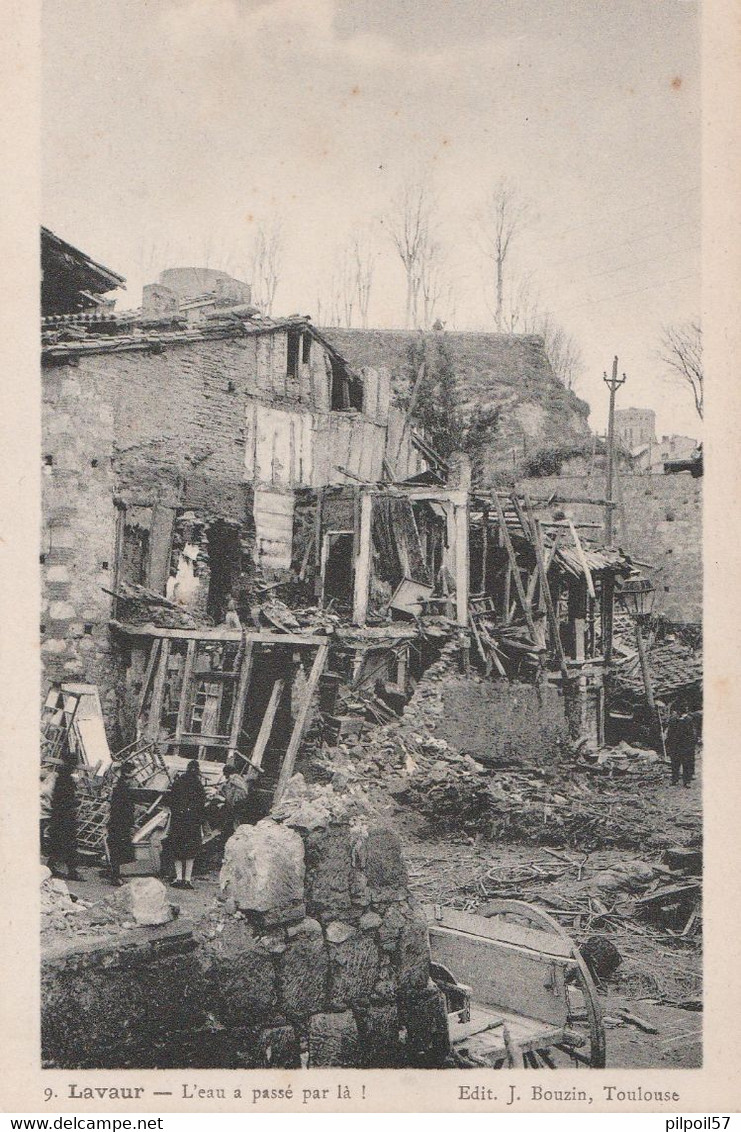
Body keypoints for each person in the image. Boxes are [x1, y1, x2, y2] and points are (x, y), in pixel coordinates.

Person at [168, 759, 206, 890]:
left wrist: (177, 812)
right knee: (190, 852)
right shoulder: (199, 785)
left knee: (177, 851)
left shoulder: (178, 782)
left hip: (179, 821)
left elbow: (171, 801)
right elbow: (202, 806)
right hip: (192, 823)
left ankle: (179, 878)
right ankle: (188, 880)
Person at [46, 760, 83, 880]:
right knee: (70, 845)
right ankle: (72, 871)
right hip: (65, 818)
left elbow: (56, 800)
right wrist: (75, 803)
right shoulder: (68, 781)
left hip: (58, 818)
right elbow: (66, 801)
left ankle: (51, 867)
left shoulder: (59, 779)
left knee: (58, 844)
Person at [106, 764, 136, 886]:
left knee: (117, 849)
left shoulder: (121, 788)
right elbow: (124, 809)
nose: (134, 780)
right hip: (120, 823)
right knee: (118, 849)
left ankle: (116, 874)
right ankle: (115, 876)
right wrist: (131, 824)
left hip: (118, 823)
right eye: (133, 776)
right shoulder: (123, 790)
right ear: (128, 776)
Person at [665, 703, 697, 787]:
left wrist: (691, 745)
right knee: (675, 763)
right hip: (675, 746)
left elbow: (692, 734)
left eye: (677, 711)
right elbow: (670, 733)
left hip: (685, 746)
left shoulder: (689, 720)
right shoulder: (673, 720)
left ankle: (686, 781)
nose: (676, 713)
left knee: (686, 764)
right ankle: (674, 780)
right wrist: (668, 743)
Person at [220, 764, 252, 835]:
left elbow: (231, 794)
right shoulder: (239, 779)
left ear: (227, 772)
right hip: (240, 802)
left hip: (237, 803)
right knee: (234, 819)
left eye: (224, 773)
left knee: (234, 819)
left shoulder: (233, 780)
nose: (224, 775)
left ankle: (235, 834)